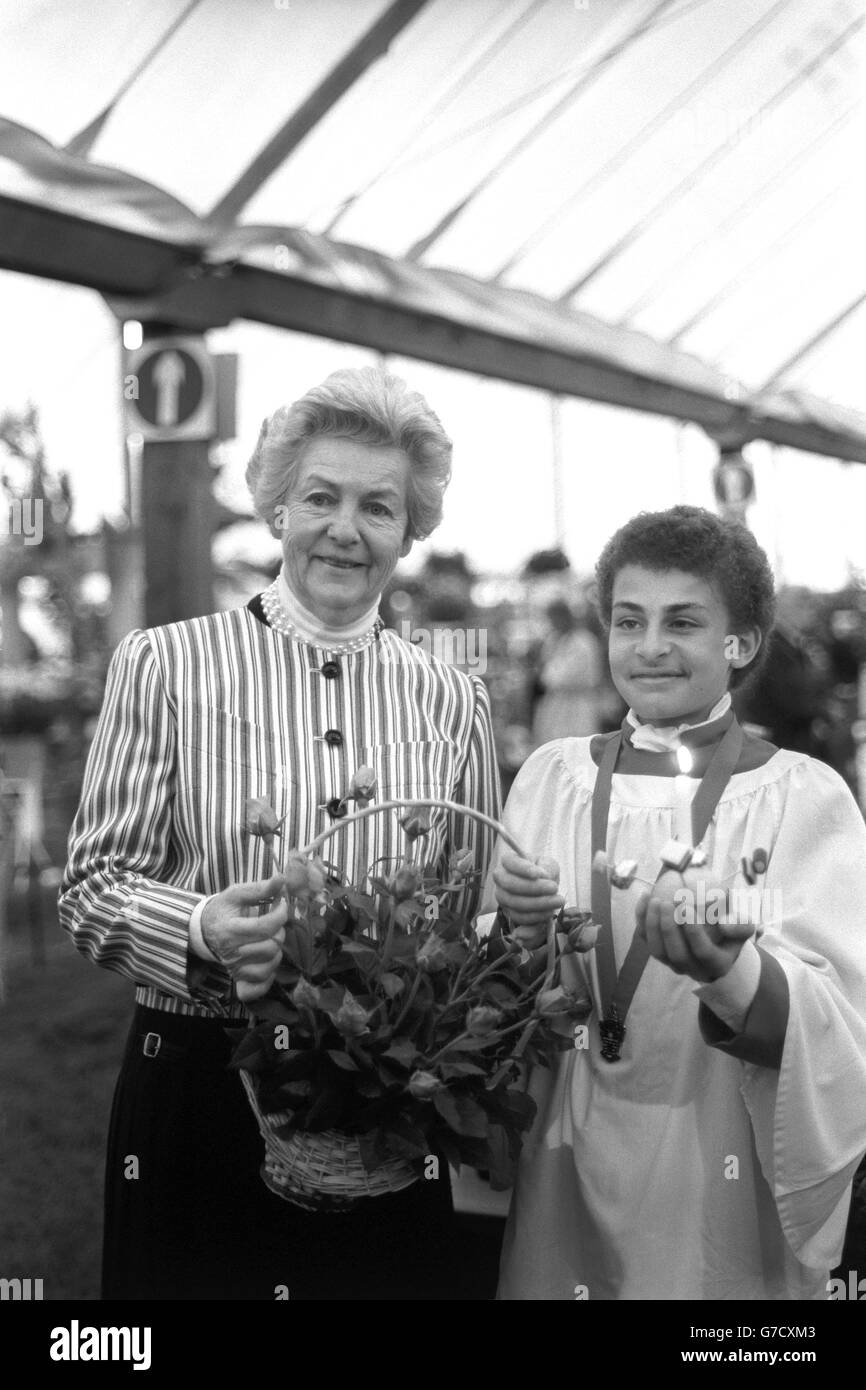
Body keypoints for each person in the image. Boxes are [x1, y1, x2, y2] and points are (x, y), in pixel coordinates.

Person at [59, 366, 502, 1301]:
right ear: (277, 510)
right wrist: (198, 929)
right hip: (203, 1090)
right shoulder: (167, 664)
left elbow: (462, 922)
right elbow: (94, 885)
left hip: (388, 1105)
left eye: (379, 507)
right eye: (321, 497)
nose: (346, 528)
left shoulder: (452, 697)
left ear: (411, 531)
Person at [489, 505, 866, 1300]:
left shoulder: (802, 797)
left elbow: (841, 1020)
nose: (650, 647)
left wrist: (732, 973)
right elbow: (490, 996)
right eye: (629, 622)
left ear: (742, 645)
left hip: (718, 1162)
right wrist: (516, 937)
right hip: (566, 1145)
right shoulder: (552, 779)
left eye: (683, 623)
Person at [530, 599, 603, 745]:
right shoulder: (553, 639)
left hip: (578, 704)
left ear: (567, 616)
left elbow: (560, 677)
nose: (554, 622)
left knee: (578, 749)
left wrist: (545, 675)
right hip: (554, 704)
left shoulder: (584, 642)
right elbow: (542, 668)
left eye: (557, 617)